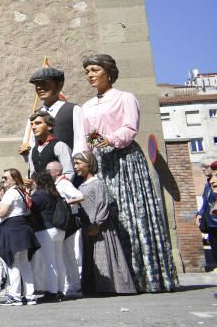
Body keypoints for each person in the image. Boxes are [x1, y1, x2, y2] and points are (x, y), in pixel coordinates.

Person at [81, 53, 178, 293]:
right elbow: (89, 134)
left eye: (94, 70)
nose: (90, 75)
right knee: (105, 217)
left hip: (124, 161)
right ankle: (113, 277)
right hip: (101, 163)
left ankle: (144, 275)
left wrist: (110, 139)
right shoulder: (87, 106)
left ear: (108, 72)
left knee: (130, 214)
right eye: (87, 72)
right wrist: (93, 148)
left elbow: (130, 128)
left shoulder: (125, 98)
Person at [73, 152, 136, 295]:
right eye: (75, 163)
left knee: (103, 256)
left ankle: (111, 287)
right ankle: (94, 287)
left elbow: (102, 204)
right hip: (87, 226)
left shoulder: (97, 183)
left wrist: (97, 224)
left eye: (78, 163)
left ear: (89, 164)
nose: (76, 167)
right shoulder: (82, 185)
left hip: (100, 228)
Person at [18, 65, 88, 156]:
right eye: (37, 84)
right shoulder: (34, 116)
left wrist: (77, 163)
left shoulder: (73, 110)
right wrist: (26, 150)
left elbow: (81, 141)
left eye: (44, 83)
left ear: (59, 84)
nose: (39, 87)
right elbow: (31, 144)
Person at [0, 169, 39, 306]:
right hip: (22, 227)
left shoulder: (11, 192)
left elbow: (2, 212)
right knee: (24, 262)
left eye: (6, 178)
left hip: (13, 228)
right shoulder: (20, 191)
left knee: (13, 263)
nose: (3, 180)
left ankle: (15, 296)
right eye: (3, 178)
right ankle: (30, 295)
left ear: (14, 179)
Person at [48, 160, 84, 298]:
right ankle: (70, 285)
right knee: (64, 254)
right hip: (65, 222)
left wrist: (64, 203)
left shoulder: (64, 183)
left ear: (57, 171)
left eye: (49, 170)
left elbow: (80, 196)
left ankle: (74, 285)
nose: (47, 172)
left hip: (69, 221)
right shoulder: (57, 184)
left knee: (68, 254)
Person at [30, 172, 66, 303]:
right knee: (59, 260)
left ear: (38, 181)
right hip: (59, 229)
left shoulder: (39, 194)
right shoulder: (54, 193)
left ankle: (52, 292)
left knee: (49, 262)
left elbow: (29, 207)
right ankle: (60, 290)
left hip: (45, 230)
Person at [26, 110, 74, 178]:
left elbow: (68, 173)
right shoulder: (33, 150)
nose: (33, 127)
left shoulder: (60, 146)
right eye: (32, 124)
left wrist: (57, 188)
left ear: (49, 126)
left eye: (38, 123)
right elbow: (32, 174)